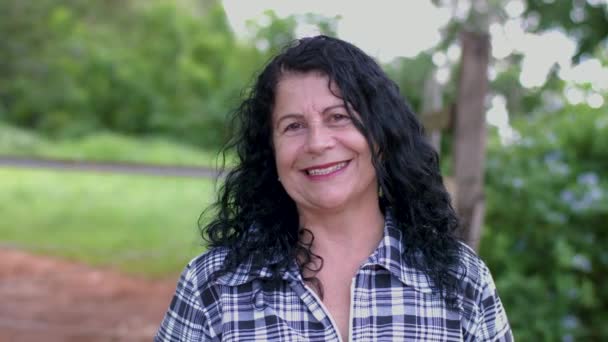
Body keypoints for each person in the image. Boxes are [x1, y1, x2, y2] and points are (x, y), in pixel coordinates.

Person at [155, 35, 512, 341]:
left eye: (338, 117)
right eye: (293, 126)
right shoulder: (213, 287)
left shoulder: (461, 280)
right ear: (271, 153)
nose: (317, 143)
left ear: (381, 137)